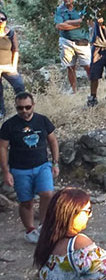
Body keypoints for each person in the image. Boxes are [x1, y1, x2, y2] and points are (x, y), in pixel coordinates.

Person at [0, 91, 59, 243]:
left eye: (27, 107)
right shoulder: (9, 125)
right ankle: (30, 230)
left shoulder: (42, 120)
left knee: (47, 194)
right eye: (20, 108)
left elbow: (53, 141)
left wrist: (55, 162)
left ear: (33, 105)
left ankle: (44, 226)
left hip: (42, 165)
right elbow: (3, 148)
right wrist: (6, 171)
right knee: (26, 201)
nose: (24, 111)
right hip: (20, 169)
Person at [54, 0, 91, 94]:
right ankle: (74, 90)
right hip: (66, 41)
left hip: (82, 41)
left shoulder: (82, 7)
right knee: (70, 66)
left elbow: (85, 21)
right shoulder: (59, 10)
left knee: (87, 65)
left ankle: (93, 87)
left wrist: (69, 22)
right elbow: (59, 26)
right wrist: (78, 24)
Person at [0, 11, 25, 119]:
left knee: (19, 85)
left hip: (8, 66)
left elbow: (15, 50)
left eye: (2, 19)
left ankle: (23, 108)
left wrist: (14, 67)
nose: (0, 21)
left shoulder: (11, 33)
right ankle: (1, 112)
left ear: (6, 20)